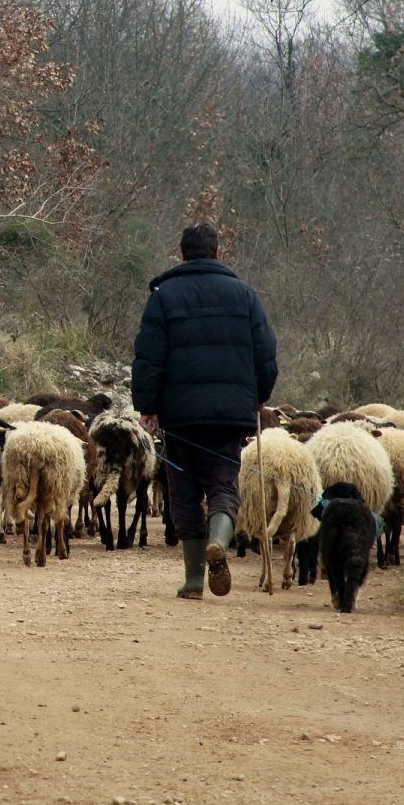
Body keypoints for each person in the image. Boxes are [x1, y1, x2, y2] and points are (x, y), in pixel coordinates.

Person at [131, 222, 277, 600]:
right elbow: (265, 355)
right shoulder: (245, 295)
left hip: (180, 417)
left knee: (183, 493)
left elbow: (148, 358)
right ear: (217, 251)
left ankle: (194, 580)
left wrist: (147, 406)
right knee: (223, 484)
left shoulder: (164, 296)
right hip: (230, 415)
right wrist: (258, 398)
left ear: (181, 253)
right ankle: (219, 541)